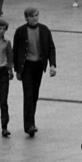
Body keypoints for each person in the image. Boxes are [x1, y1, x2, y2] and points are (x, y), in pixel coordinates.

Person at [11, 7, 57, 136]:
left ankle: (31, 121)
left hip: (38, 66)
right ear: (26, 18)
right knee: (28, 94)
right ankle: (29, 125)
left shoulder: (44, 30)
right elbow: (16, 52)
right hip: (26, 66)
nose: (35, 18)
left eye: (36, 15)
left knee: (35, 94)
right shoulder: (20, 31)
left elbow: (51, 47)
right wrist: (17, 70)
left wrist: (52, 65)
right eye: (32, 16)